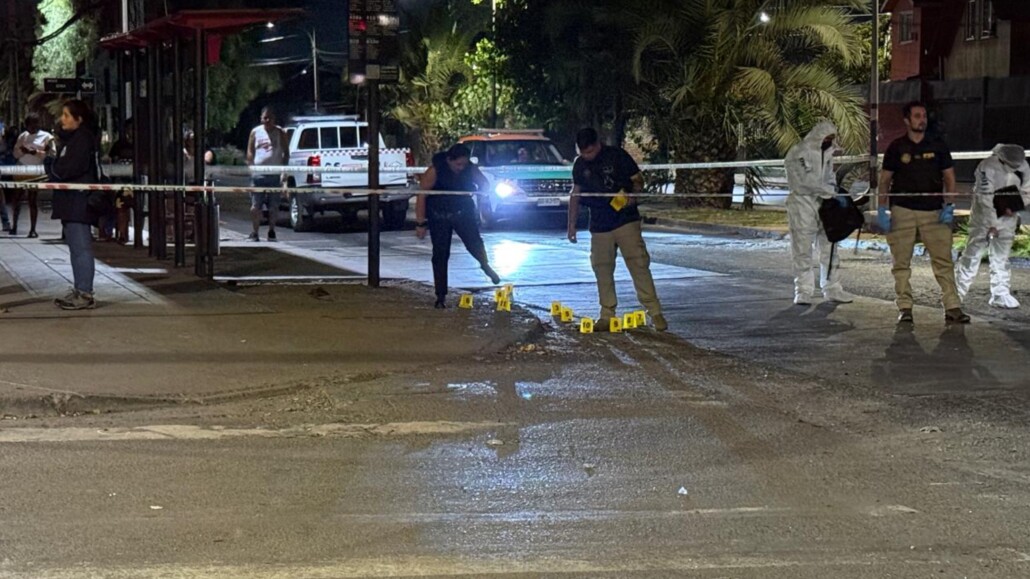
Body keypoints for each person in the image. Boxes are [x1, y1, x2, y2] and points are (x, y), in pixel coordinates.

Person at [878, 101, 969, 324]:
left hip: (933, 212)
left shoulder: (937, 145)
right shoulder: (896, 147)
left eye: (924, 116)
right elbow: (885, 181)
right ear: (907, 120)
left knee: (944, 261)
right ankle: (905, 307)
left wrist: (949, 205)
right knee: (901, 263)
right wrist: (882, 209)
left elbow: (949, 178)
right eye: (917, 116)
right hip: (903, 211)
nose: (922, 120)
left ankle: (952, 306)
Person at [567, 127, 667, 331]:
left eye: (590, 151)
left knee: (638, 263)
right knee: (602, 268)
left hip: (625, 221)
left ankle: (655, 312)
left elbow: (638, 180)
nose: (587, 156)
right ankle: (607, 314)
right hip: (599, 224)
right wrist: (571, 225)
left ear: (598, 144)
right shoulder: (579, 165)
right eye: (583, 153)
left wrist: (632, 196)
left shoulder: (617, 156)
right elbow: (575, 194)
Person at [415, 143, 501, 308]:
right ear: (449, 160)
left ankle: (485, 265)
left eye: (464, 164)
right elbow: (422, 195)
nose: (461, 168)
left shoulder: (470, 168)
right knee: (440, 254)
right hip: (438, 215)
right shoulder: (435, 170)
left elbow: (485, 185)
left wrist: (482, 193)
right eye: (458, 164)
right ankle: (440, 295)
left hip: (463, 212)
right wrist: (420, 222)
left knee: (475, 243)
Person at [784, 120, 855, 305]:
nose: (830, 140)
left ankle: (832, 288)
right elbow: (801, 182)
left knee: (830, 248)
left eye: (832, 137)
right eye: (827, 137)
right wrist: (828, 191)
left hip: (824, 205)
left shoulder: (828, 153)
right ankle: (803, 290)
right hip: (802, 205)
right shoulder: (798, 153)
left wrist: (832, 192)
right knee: (802, 249)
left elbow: (829, 178)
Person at [955, 144, 1030, 308]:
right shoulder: (987, 166)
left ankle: (1000, 293)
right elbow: (984, 197)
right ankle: (957, 293)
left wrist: (1015, 206)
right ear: (1002, 160)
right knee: (973, 253)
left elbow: (1027, 190)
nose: (1015, 168)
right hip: (984, 216)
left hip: (1008, 216)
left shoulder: (1023, 165)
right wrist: (992, 223)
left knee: (1001, 256)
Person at [44, 100, 101, 310]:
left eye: (67, 115)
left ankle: (85, 293)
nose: (62, 119)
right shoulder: (73, 140)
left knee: (81, 248)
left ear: (79, 119)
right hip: (71, 202)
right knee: (76, 248)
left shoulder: (82, 140)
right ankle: (80, 288)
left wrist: (53, 167)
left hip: (79, 201)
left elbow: (70, 168)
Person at [245, 107, 288, 241]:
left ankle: (271, 231)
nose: (267, 120)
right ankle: (255, 232)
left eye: (270, 117)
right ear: (261, 119)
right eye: (265, 118)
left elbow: (286, 153)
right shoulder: (255, 132)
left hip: (274, 175)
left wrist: (284, 172)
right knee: (255, 206)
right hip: (258, 175)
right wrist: (251, 166)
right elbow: (250, 151)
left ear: (274, 119)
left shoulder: (280, 132)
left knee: (273, 206)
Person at [10, 113, 54, 238]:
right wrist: (22, 152)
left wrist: (35, 152)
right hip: (21, 168)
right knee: (16, 198)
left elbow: (51, 153)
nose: (31, 128)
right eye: (29, 125)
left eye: (34, 124)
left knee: (32, 199)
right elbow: (15, 153)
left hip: (35, 170)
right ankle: (14, 225)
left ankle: (33, 229)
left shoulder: (46, 137)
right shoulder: (23, 136)